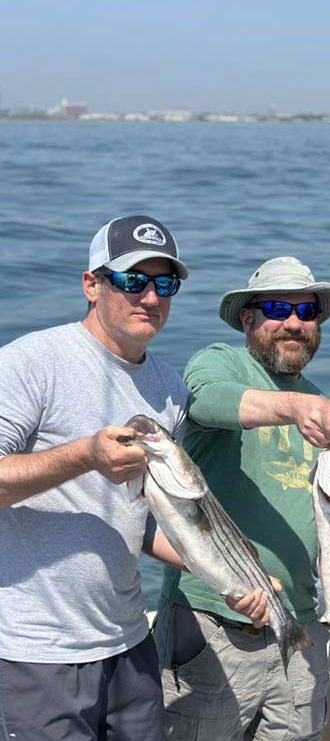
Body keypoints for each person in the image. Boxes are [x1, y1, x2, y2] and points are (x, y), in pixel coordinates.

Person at [0, 216, 230, 739]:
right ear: (91, 284)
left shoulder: (168, 388)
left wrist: (225, 574)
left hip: (129, 643)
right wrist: (85, 455)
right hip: (40, 652)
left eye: (164, 284)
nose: (150, 297)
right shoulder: (31, 363)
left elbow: (141, 516)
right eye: (133, 280)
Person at [158, 256, 330, 741]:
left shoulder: (319, 403)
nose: (294, 323)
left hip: (300, 628)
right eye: (279, 308)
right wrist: (292, 407)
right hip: (213, 625)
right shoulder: (221, 362)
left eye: (307, 313)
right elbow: (205, 399)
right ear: (248, 318)